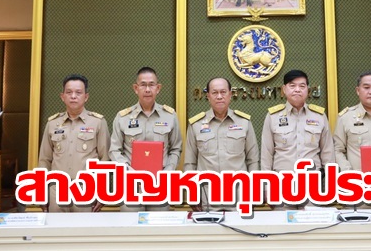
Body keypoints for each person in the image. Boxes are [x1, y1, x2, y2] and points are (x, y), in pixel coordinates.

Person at [110, 67, 182, 211]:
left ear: (158, 88)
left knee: (158, 224)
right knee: (130, 224)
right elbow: (114, 150)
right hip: (131, 185)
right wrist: (128, 170)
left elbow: (176, 148)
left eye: (151, 85)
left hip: (160, 185)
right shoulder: (123, 117)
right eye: (143, 85)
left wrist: (168, 171)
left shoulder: (170, 116)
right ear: (136, 88)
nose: (147, 89)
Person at [184, 77, 259, 210]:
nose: (219, 96)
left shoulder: (244, 122)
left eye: (223, 92)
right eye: (215, 92)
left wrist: (254, 191)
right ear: (208, 96)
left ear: (230, 94)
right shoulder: (195, 124)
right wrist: (191, 193)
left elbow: (253, 160)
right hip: (207, 196)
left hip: (239, 196)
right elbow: (190, 163)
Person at [38, 74, 110, 212]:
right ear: (62, 96)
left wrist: (103, 192)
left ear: (86, 97)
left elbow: (105, 159)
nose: (73, 96)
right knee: (55, 225)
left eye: (78, 92)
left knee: (84, 226)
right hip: (57, 189)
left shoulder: (98, 122)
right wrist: (41, 192)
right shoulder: (52, 123)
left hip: (86, 189)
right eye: (69, 92)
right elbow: (44, 160)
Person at [261, 69, 335, 173]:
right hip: (282, 178)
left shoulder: (319, 116)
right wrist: (266, 180)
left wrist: (330, 178)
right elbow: (266, 153)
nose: (297, 90)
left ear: (308, 89)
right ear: (284, 89)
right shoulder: (273, 116)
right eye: (292, 86)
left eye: (302, 86)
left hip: (312, 178)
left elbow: (328, 152)